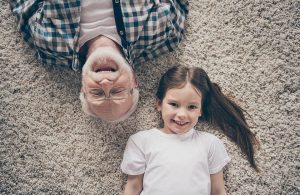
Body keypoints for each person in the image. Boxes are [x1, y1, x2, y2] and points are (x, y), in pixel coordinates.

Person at [10, 0, 189, 122]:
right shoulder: (160, 35)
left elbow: (22, 5)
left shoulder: (48, 46)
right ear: (134, 80)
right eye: (117, 90)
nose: (105, 83)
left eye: (97, 93)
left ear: (83, 87)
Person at [121, 65, 259, 195]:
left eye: (192, 107)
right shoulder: (141, 141)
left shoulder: (210, 144)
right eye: (174, 104)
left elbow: (218, 191)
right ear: (159, 104)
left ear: (201, 110)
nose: (182, 114)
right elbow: (133, 187)